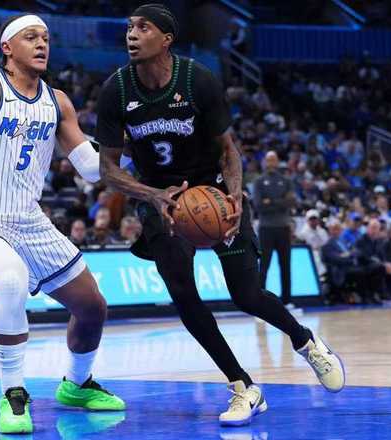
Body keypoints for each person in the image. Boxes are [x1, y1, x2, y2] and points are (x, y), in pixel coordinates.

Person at [96, 3, 344, 427]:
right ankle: (243, 385)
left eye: (143, 27)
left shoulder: (198, 80)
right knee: (184, 296)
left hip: (212, 193)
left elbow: (228, 150)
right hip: (162, 202)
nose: (132, 34)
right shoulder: (116, 90)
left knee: (246, 294)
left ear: (166, 39)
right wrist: (153, 196)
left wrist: (234, 197)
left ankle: (306, 342)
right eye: (130, 27)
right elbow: (108, 168)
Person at [0, 14, 124, 435]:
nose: (42, 44)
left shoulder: (57, 101)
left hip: (30, 222)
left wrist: (134, 146)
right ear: (7, 48)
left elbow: (90, 168)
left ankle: (76, 384)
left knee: (92, 306)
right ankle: (12, 394)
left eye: (46, 38)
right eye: (31, 37)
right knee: (11, 279)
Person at [252, 151, 296, 307]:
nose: (271, 163)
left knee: (285, 266)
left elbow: (291, 202)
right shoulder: (259, 181)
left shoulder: (286, 181)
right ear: (265, 162)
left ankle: (287, 300)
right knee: (264, 266)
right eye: (268, 160)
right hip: (266, 228)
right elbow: (258, 205)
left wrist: (270, 201)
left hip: (284, 227)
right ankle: (260, 302)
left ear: (277, 162)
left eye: (273, 160)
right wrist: (280, 201)